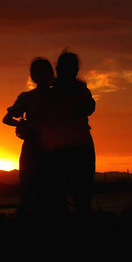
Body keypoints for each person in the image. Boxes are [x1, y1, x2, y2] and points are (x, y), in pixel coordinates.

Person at [46, 50, 96, 220]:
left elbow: (89, 108)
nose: (66, 71)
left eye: (70, 67)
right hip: (61, 147)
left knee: (81, 191)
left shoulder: (81, 90)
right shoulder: (51, 93)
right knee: (61, 193)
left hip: (78, 145)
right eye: (63, 67)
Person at [3, 57, 55, 219]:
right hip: (32, 149)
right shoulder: (27, 97)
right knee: (27, 192)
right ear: (32, 76)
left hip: (55, 148)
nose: (42, 73)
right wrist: (25, 127)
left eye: (45, 69)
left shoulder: (59, 95)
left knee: (53, 193)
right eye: (37, 70)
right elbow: (7, 118)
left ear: (51, 73)